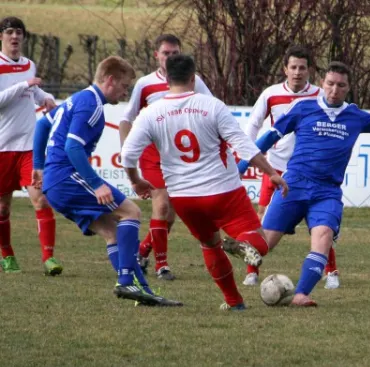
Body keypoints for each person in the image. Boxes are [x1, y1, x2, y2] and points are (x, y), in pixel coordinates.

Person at [238, 61, 370, 306]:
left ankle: (300, 294)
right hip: (294, 185)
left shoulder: (355, 116)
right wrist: (242, 166)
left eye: (341, 85)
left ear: (348, 88)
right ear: (322, 84)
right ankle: (231, 251)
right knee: (262, 247)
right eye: (330, 84)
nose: (334, 89)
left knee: (323, 236)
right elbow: (269, 137)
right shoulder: (303, 108)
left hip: (326, 192)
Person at [121, 54, 288, 310]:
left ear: (166, 79)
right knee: (260, 242)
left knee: (210, 244)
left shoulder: (151, 113)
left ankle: (234, 302)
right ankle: (244, 245)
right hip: (222, 191)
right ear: (193, 78)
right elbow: (242, 145)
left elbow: (128, 155)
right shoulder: (212, 106)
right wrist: (271, 172)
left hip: (184, 198)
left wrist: (136, 181)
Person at [32, 55, 181, 306]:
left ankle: (141, 289)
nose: (125, 93)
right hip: (68, 177)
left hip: (56, 183)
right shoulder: (92, 105)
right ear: (110, 80)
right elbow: (73, 148)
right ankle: (125, 282)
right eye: (124, 86)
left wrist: (38, 165)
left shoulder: (77, 99)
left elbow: (42, 126)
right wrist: (96, 183)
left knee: (113, 232)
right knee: (131, 212)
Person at [234, 45, 340, 289]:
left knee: (319, 223)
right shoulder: (270, 94)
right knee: (263, 220)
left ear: (310, 70)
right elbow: (253, 125)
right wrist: (246, 157)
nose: (297, 72)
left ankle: (331, 271)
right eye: (293, 67)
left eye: (303, 68)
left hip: (307, 172)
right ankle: (252, 271)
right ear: (285, 69)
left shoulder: (319, 95)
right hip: (274, 169)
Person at [119, 34, 213, 281]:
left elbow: (211, 109)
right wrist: (128, 151)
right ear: (156, 56)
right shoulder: (145, 84)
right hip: (153, 154)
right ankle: (162, 266)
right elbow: (126, 120)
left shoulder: (194, 81)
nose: (170, 57)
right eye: (165, 53)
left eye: (174, 53)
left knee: (169, 216)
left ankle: (140, 253)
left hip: (178, 156)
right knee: (161, 206)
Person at [0, 16, 60, 275]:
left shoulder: (29, 65)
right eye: (10, 32)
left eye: (19, 33)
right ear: (1, 36)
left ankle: (49, 259)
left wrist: (46, 98)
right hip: (3, 147)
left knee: (41, 200)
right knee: (2, 207)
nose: (15, 37)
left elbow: (34, 94)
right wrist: (25, 84)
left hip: (29, 147)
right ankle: (7, 255)